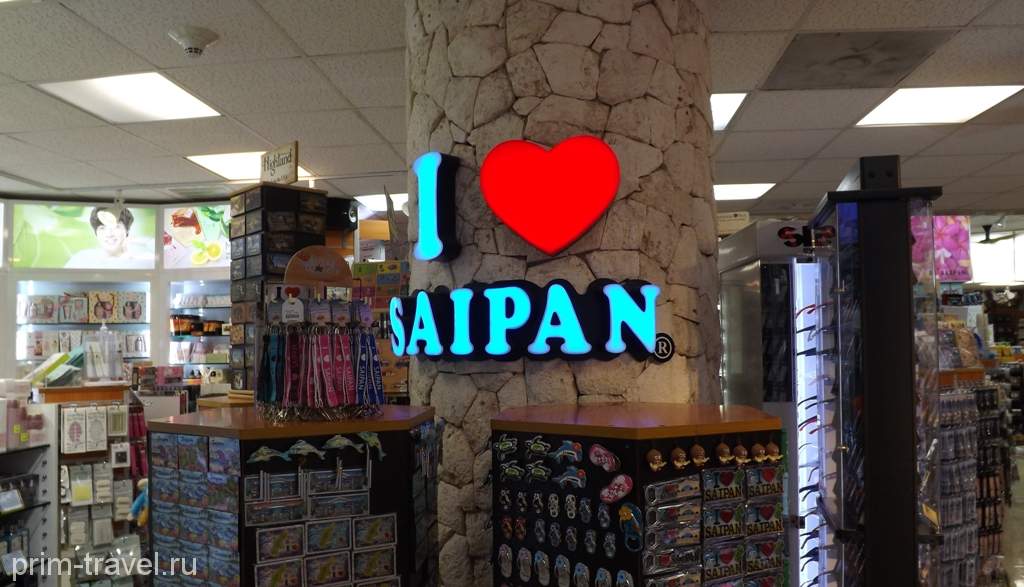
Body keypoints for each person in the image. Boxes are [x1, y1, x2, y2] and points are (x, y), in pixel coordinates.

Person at [64, 206, 153, 269]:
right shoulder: (82, 259)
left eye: (116, 227)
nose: (109, 234)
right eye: (102, 228)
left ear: (127, 230)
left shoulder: (142, 261)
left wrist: (138, 240)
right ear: (96, 233)